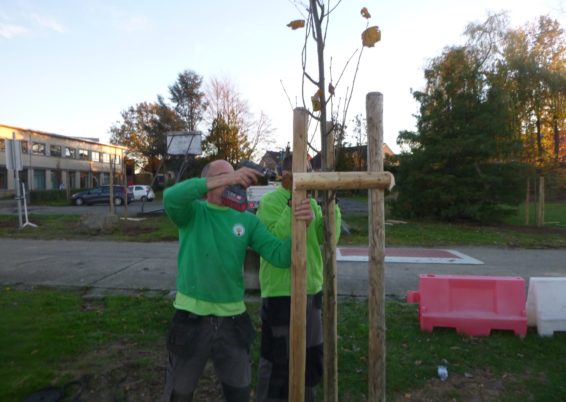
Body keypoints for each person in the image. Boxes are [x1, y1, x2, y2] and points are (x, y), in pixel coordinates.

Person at [162, 159, 313, 402]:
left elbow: (280, 256)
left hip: (233, 323)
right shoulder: (192, 213)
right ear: (208, 184)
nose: (234, 181)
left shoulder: (247, 220)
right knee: (178, 394)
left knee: (239, 394)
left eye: (234, 176)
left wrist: (300, 224)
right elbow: (171, 197)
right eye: (223, 177)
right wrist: (228, 178)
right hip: (190, 319)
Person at [255, 155, 341, 402]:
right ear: (285, 174)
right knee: (277, 359)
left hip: (310, 290)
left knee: (310, 354)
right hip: (281, 292)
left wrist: (330, 207)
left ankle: (305, 396)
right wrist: (292, 211)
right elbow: (273, 244)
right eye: (304, 171)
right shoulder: (270, 202)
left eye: (311, 170)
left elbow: (329, 239)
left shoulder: (314, 203)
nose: (309, 176)